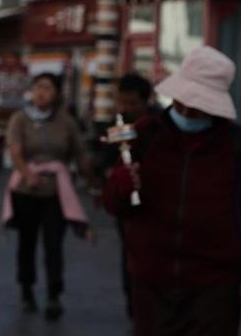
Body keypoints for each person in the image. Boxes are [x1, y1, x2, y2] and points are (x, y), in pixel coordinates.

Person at [103, 46, 241, 336]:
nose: (185, 110)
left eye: (197, 105)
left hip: (214, 290)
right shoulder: (145, 133)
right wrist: (120, 187)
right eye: (182, 100)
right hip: (151, 286)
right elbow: (113, 204)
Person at [2, 73, 92, 321]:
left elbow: (79, 153)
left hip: (56, 192)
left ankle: (54, 293)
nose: (41, 93)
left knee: (54, 244)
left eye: (47, 88)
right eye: (38, 87)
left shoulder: (66, 122)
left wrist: (94, 182)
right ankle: (27, 289)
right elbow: (15, 150)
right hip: (26, 191)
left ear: (56, 93)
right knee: (27, 242)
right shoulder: (20, 119)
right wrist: (27, 174)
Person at [107, 72, 160, 319]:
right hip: (127, 201)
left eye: (132, 103)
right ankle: (133, 305)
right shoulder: (119, 124)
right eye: (122, 102)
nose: (126, 108)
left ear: (145, 101)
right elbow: (109, 154)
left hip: (155, 199)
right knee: (129, 252)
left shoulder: (159, 124)